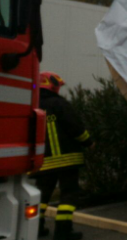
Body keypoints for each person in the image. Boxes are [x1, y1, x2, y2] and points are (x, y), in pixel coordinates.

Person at [35, 72, 93, 240]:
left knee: (42, 196)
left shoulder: (32, 105)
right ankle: (63, 231)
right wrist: (89, 142)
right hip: (66, 160)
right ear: (52, 86)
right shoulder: (59, 104)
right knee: (68, 194)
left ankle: (36, 228)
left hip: (42, 162)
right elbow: (74, 127)